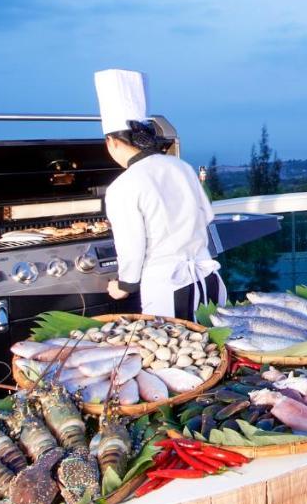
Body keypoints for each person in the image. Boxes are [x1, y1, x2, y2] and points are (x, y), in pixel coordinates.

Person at [95, 69, 224, 318]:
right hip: (207, 278)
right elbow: (207, 215)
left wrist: (124, 285)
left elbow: (131, 245)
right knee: (210, 350)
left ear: (111, 142)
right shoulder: (182, 166)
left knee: (175, 352)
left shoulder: (123, 185)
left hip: (169, 286)